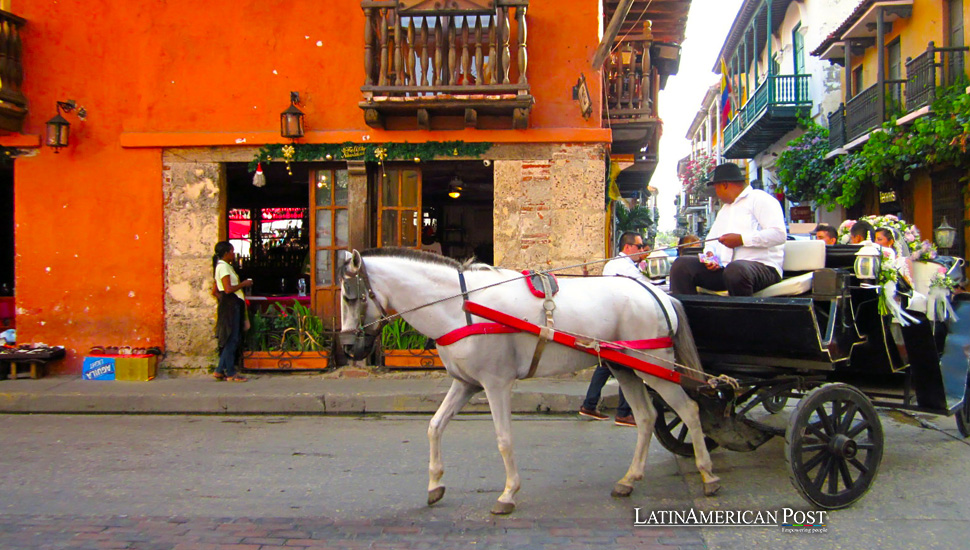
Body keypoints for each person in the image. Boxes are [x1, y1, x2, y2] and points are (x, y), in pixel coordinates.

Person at [669, 163, 786, 296]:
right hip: (727, 269)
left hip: (763, 267)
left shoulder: (760, 199)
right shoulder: (725, 210)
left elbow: (779, 234)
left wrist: (742, 239)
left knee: (736, 270)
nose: (717, 194)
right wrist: (710, 256)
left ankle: (743, 315)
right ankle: (687, 314)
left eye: (717, 189)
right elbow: (710, 241)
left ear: (724, 185)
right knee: (681, 265)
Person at [579, 231, 651, 427]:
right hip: (622, 323)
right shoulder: (625, 267)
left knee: (605, 365)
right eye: (639, 246)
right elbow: (646, 288)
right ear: (628, 247)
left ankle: (590, 404)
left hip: (609, 321)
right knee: (627, 365)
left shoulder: (614, 264)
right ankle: (624, 412)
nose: (642, 250)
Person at [213, 241, 252, 382]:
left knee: (231, 338)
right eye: (232, 251)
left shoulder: (222, 267)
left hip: (229, 304)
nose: (233, 254)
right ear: (226, 253)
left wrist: (223, 300)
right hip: (232, 305)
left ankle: (220, 370)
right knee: (232, 338)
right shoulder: (223, 267)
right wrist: (243, 284)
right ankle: (230, 372)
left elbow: (215, 290)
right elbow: (228, 289)